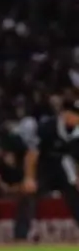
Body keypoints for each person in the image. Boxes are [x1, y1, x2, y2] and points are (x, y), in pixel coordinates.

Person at [14, 99, 79, 240]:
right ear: (66, 114)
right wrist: (29, 177)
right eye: (75, 115)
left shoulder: (77, 133)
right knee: (28, 195)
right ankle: (21, 236)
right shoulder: (48, 126)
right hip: (44, 167)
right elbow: (32, 153)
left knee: (76, 197)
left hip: (66, 168)